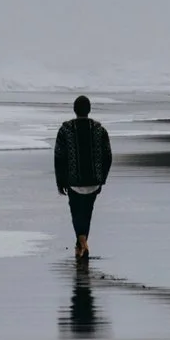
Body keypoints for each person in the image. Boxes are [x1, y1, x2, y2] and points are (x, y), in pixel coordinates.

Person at [52, 92, 112, 266]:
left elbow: (58, 157)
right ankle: (80, 245)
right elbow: (108, 156)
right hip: (93, 181)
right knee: (87, 213)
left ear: (74, 110)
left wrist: (60, 181)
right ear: (89, 110)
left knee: (76, 213)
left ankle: (82, 243)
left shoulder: (65, 130)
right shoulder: (100, 130)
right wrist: (102, 179)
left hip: (74, 182)